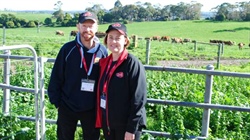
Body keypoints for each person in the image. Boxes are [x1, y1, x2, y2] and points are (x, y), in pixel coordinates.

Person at [47, 11, 108, 140]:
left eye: (91, 26)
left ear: (97, 27)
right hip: (67, 106)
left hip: (92, 108)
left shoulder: (102, 51)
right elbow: (56, 77)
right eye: (84, 25)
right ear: (78, 26)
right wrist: (57, 103)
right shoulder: (67, 49)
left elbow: (106, 80)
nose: (87, 29)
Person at [95, 23, 147, 140]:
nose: (114, 41)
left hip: (126, 126)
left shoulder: (132, 63)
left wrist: (131, 129)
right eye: (111, 37)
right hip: (109, 124)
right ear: (106, 40)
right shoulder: (104, 63)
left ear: (125, 41)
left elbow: (138, 99)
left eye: (118, 38)